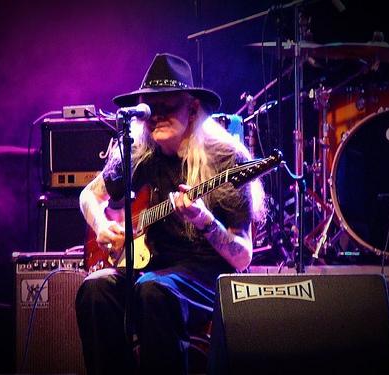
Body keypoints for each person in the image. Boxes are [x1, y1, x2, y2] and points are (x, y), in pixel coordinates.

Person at [75, 52, 266, 375]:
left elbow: (242, 257)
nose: (156, 117)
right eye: (151, 108)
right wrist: (102, 225)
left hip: (205, 276)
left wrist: (205, 221)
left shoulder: (225, 158)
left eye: (168, 107)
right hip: (154, 269)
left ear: (192, 109)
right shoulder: (140, 153)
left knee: (154, 291)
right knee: (95, 290)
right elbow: (88, 196)